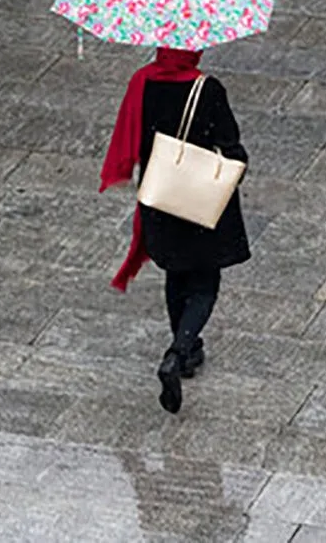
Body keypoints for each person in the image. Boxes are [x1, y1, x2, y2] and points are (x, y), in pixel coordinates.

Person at [99, 47, 250, 415]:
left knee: (176, 273)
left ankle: (185, 349)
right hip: (198, 199)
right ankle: (179, 351)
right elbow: (230, 144)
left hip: (159, 193)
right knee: (205, 281)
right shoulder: (208, 89)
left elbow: (133, 137)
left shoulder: (141, 82)